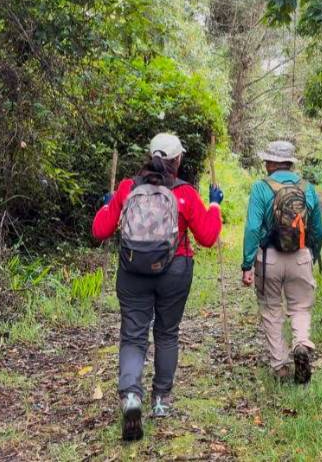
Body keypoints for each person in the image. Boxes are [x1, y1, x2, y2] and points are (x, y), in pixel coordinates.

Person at [92, 133, 223, 441]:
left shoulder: (128, 187)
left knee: (133, 336)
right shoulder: (185, 193)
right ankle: (161, 400)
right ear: (178, 160)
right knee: (167, 333)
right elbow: (207, 237)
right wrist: (215, 205)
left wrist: (108, 206)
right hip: (175, 271)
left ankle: (131, 396)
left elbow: (100, 230)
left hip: (132, 270)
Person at [241, 140, 322, 384]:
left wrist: (247, 264)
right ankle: (301, 343)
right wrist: (312, 254)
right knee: (300, 307)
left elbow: (253, 228)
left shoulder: (260, 188)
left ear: (271, 163)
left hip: (269, 259)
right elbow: (318, 230)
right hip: (300, 256)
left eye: (266, 160)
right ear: (290, 163)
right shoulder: (307, 188)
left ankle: (280, 367)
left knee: (271, 311)